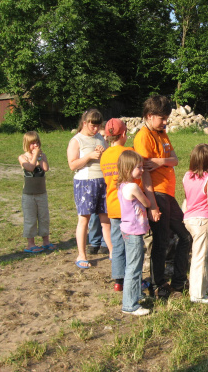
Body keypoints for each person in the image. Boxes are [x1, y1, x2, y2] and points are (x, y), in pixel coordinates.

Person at [134, 95, 191, 299]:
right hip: (156, 193)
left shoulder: (161, 132)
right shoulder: (143, 137)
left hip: (167, 193)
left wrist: (159, 161)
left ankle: (178, 282)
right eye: (162, 118)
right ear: (150, 116)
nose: (166, 121)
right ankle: (158, 285)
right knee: (161, 241)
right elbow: (144, 173)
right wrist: (151, 205)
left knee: (185, 236)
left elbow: (175, 160)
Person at [100, 118, 152, 291]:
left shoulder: (104, 155)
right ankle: (132, 279)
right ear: (123, 134)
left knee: (116, 244)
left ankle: (118, 281)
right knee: (132, 248)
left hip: (113, 205)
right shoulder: (128, 151)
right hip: (129, 206)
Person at [67, 109, 113, 269]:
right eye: (93, 126)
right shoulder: (76, 140)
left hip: (102, 182)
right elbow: (72, 164)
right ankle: (82, 255)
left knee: (106, 220)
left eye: (98, 126)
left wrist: (103, 153)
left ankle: (112, 252)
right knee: (84, 220)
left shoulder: (100, 138)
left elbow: (107, 157)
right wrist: (88, 157)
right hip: (85, 183)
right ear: (85, 123)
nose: (96, 129)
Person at [182, 144, 208, 305]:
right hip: (202, 220)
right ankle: (197, 294)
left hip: (189, 218)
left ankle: (205, 286)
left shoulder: (186, 175)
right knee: (200, 257)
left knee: (203, 254)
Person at [116, 150, 151, 316]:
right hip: (134, 233)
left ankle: (136, 294)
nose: (142, 170)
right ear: (128, 169)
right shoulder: (133, 186)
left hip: (128, 231)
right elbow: (147, 202)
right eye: (139, 168)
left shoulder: (122, 186)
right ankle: (129, 305)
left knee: (135, 264)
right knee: (133, 268)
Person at [18, 131, 55, 253]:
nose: (35, 146)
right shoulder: (23, 157)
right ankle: (30, 244)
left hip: (41, 193)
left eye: (37, 143)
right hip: (28, 195)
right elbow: (30, 167)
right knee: (30, 218)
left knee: (44, 217)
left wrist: (40, 157)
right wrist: (34, 157)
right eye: (32, 143)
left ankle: (46, 241)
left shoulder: (41, 156)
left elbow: (45, 168)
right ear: (26, 144)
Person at [88, 123, 109, 255]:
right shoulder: (94, 149)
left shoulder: (109, 150)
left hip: (107, 183)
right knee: (94, 215)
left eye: (106, 136)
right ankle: (94, 241)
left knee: (106, 213)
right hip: (95, 182)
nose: (104, 139)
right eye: (102, 136)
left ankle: (105, 242)